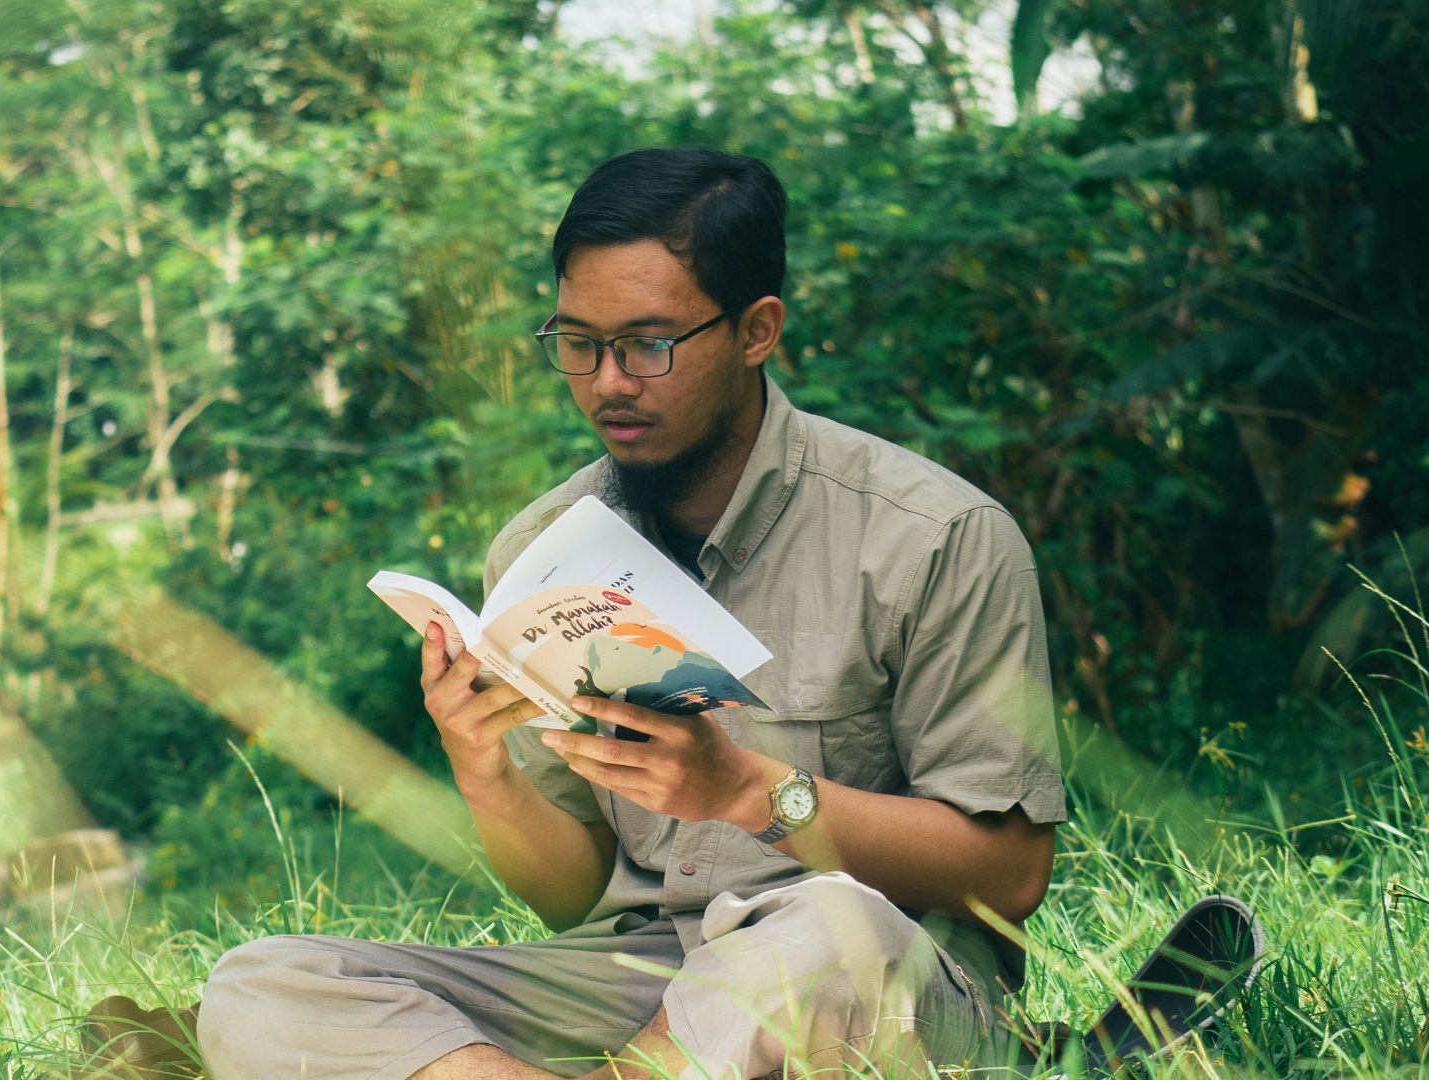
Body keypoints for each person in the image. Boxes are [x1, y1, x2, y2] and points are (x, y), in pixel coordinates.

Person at [195, 147, 1065, 1079]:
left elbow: (1010, 875)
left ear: (757, 330)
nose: (609, 382)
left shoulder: (933, 538)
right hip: (638, 979)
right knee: (264, 985)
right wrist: (483, 770)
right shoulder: (542, 551)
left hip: (874, 974)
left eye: (649, 345)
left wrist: (748, 792)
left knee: (830, 928)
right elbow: (577, 899)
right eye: (578, 343)